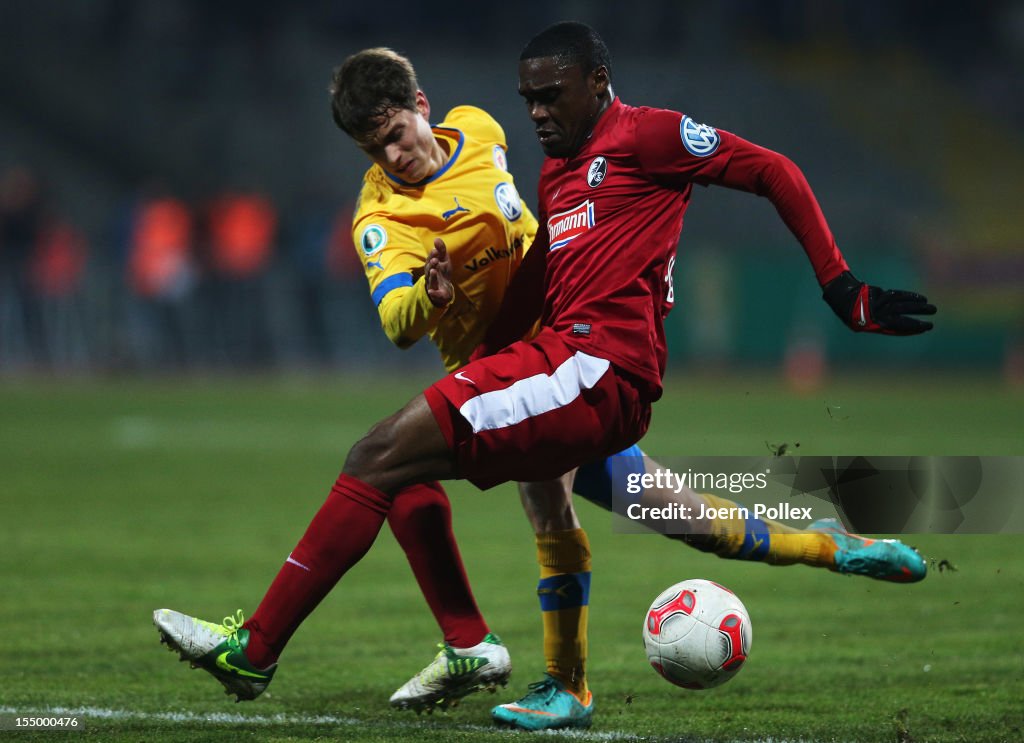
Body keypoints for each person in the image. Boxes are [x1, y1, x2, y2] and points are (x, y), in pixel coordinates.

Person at [153, 24, 935, 732]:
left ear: (598, 80)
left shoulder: (648, 135)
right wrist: (482, 349)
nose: (533, 112)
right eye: (526, 98)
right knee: (647, 514)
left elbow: (772, 169)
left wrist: (845, 289)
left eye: (550, 95)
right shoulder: (553, 176)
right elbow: (534, 274)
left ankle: (262, 649)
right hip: (556, 366)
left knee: (377, 457)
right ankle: (828, 545)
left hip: (592, 364)